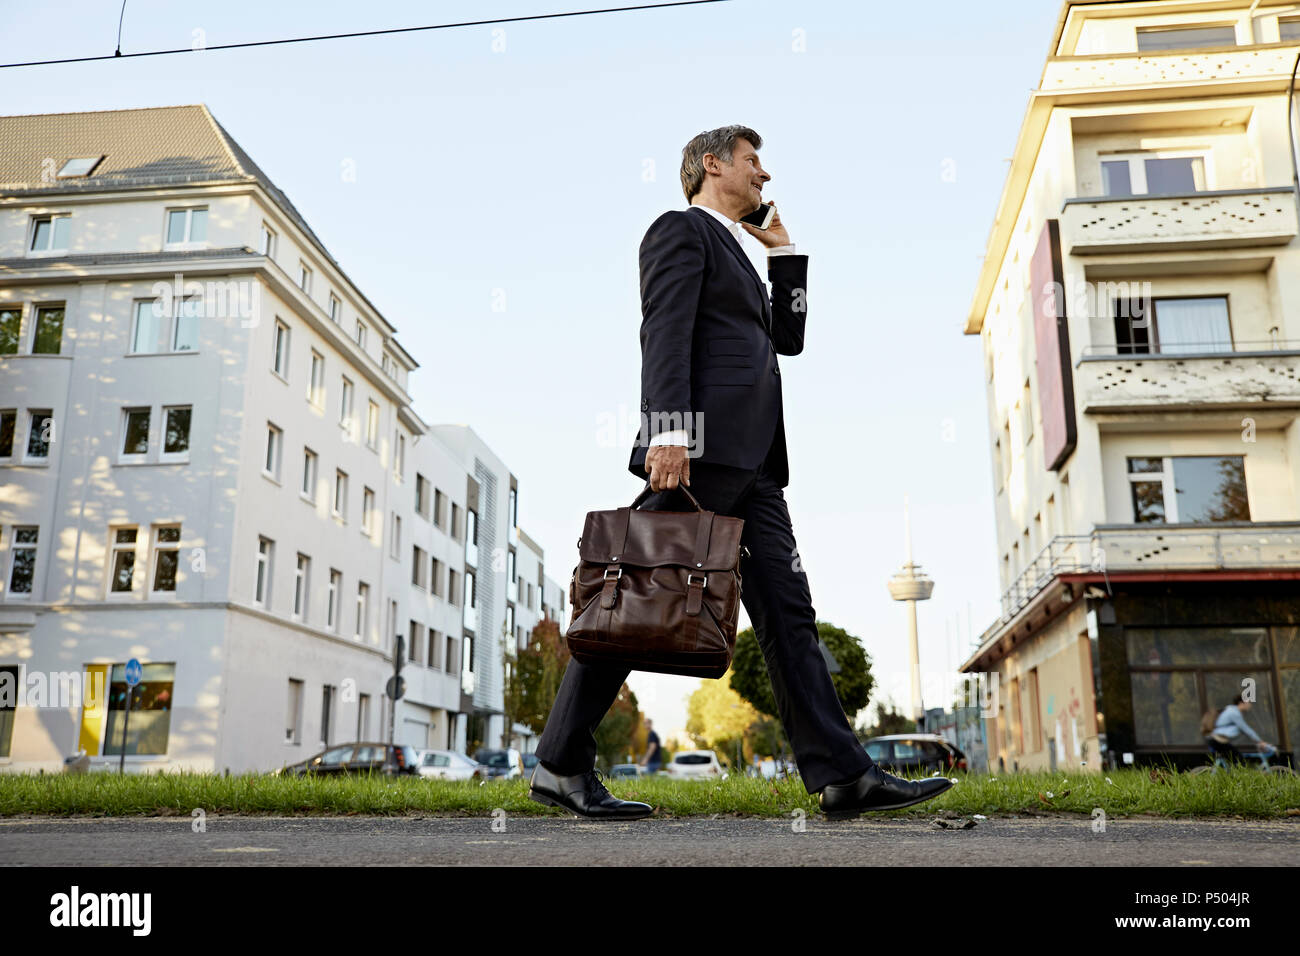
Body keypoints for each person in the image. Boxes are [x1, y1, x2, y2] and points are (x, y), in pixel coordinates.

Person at [528, 125, 953, 820]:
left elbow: (790, 339)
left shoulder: (741, 253)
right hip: (703, 452)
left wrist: (784, 251)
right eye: (754, 161)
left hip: (755, 466)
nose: (765, 174)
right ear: (712, 165)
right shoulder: (680, 231)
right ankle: (559, 764)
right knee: (629, 598)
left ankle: (842, 776)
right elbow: (663, 331)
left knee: (788, 616)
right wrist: (669, 431)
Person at [1206, 692, 1276, 763]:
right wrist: (1260, 741)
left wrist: (1256, 741)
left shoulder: (1231, 711)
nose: (1250, 705)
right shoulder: (1234, 713)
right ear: (1241, 703)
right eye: (1248, 703)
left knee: (1234, 759)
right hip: (1217, 740)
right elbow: (1245, 729)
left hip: (1215, 739)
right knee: (1239, 760)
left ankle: (1230, 772)